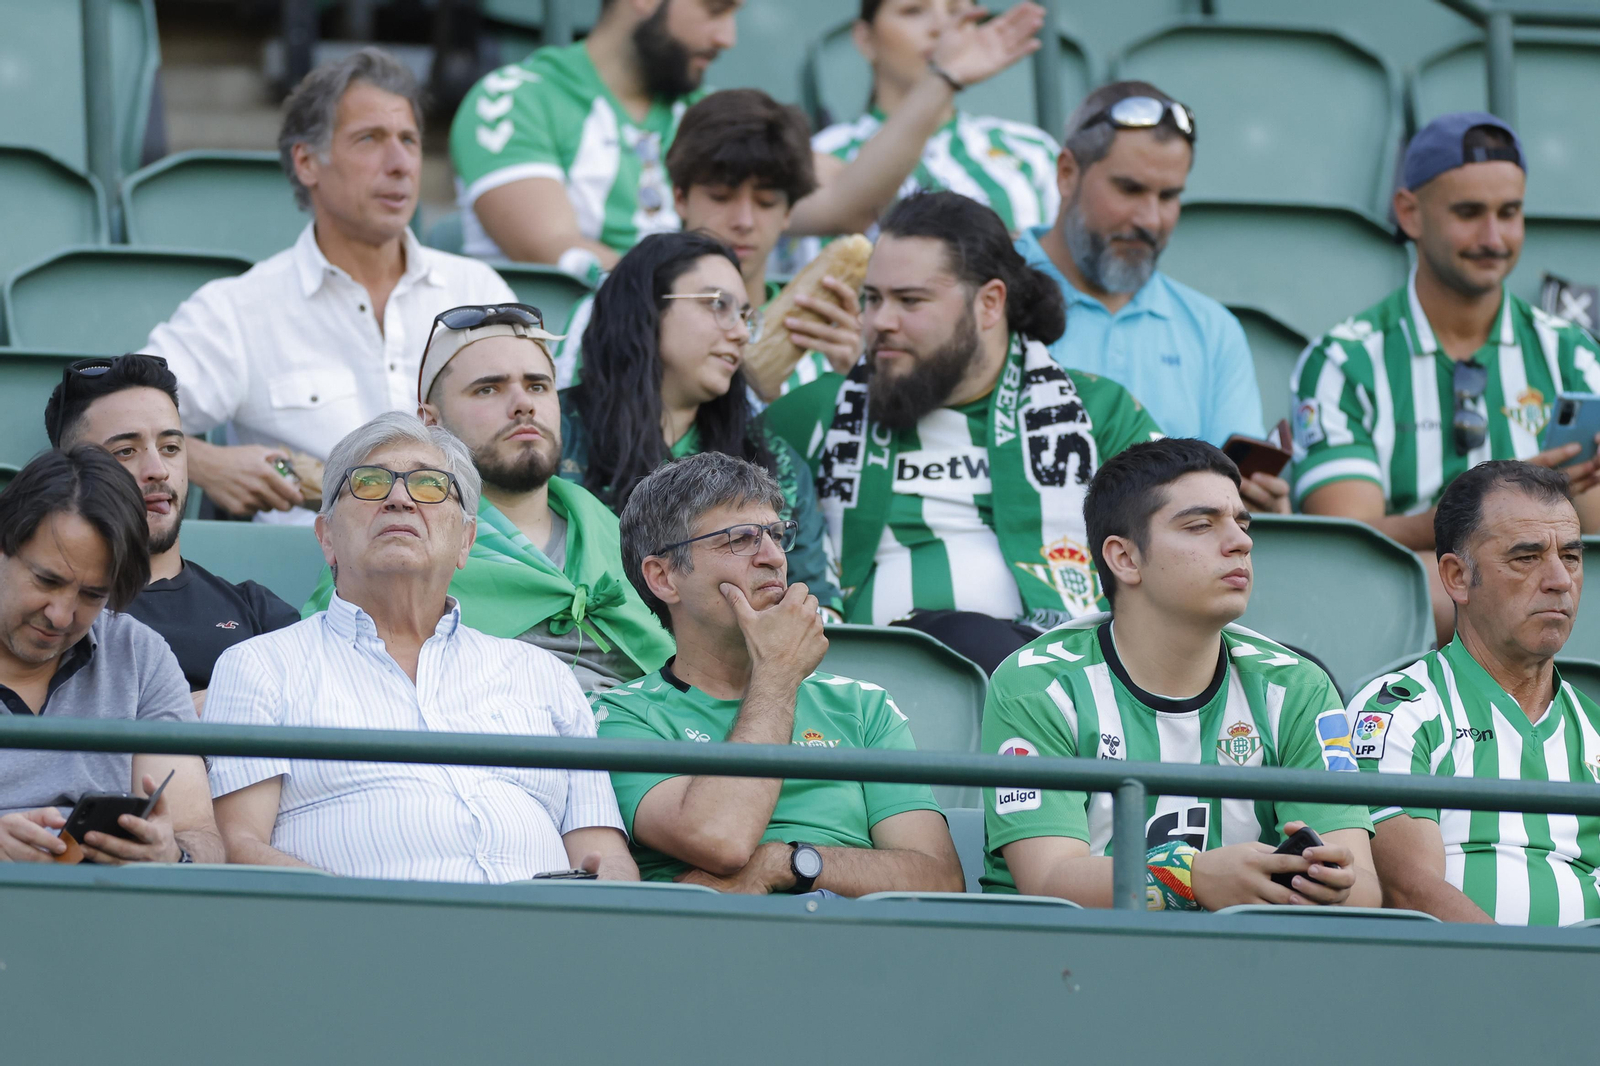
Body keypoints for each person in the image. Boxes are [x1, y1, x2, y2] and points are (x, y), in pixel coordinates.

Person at [205, 413, 637, 882]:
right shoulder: (261, 666)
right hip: (358, 941)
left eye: (430, 486)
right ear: (326, 536)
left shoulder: (542, 674)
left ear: (466, 541)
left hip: (539, 938)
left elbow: (603, 854)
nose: (399, 499)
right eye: (369, 483)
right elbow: (238, 847)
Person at [764, 191, 1162, 672]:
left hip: (1068, 688)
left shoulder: (1100, 412)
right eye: (872, 299)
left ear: (990, 302)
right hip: (858, 697)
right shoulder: (815, 413)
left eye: (910, 300)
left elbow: (1179, 557)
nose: (881, 322)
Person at [981, 437, 1379, 910]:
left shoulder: (1296, 686)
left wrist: (1327, 886)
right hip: (1074, 972)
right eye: (1200, 525)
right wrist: (1192, 877)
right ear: (1124, 558)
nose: (1241, 541)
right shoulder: (1037, 684)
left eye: (1241, 522)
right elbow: (1049, 880)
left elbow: (1365, 892)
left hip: (1249, 972)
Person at [145, 48, 516, 522]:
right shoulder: (240, 309)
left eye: (410, 140)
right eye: (370, 139)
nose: (401, 163)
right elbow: (111, 415)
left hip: (473, 573)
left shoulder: (477, 289)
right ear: (306, 162)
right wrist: (203, 461)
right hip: (304, 585)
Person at [593, 452, 963, 894]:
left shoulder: (864, 706)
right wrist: (777, 674)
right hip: (713, 949)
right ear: (663, 577)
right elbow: (720, 839)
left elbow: (939, 880)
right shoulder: (619, 717)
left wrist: (785, 863)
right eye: (740, 539)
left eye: (775, 534)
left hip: (862, 946)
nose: (773, 557)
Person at [1292, 112, 1600, 642]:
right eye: (1468, 213)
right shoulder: (1344, 361)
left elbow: (1592, 536)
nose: (1493, 237)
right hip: (1413, 621)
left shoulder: (1571, 355)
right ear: (1409, 213)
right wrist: (1480, 512)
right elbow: (1346, 558)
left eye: (1510, 213)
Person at [302, 303, 677, 692]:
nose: (523, 404)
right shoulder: (394, 542)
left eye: (537, 386)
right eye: (488, 388)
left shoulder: (617, 532)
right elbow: (329, 667)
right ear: (431, 422)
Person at [1349, 461, 1600, 924]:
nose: (1560, 580)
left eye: (1570, 556)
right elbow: (1411, 890)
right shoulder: (1398, 711)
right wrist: (1531, 980)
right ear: (1457, 577)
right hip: (1458, 984)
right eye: (1527, 557)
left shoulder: (1596, 728)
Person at [561, 231, 843, 614]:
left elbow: (819, 606)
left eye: (745, 316)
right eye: (717, 304)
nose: (742, 333)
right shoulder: (554, 432)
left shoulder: (773, 460)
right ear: (645, 307)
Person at [551, 88, 862, 394]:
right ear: (680, 198)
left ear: (788, 212)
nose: (744, 221)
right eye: (721, 197)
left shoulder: (829, 344)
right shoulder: (606, 309)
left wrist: (853, 386)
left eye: (766, 202)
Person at [1015, 80, 1269, 452]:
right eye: (1129, 189)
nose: (1150, 220)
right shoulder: (985, 295)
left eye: (1169, 196)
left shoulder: (1214, 331)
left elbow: (1229, 495)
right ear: (1067, 173)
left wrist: (1256, 504)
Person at [0, 448, 221, 866]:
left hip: (113, 912)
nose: (61, 616)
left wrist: (170, 854)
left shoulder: (140, 655)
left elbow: (200, 836)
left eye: (92, 595)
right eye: (47, 581)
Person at [44, 354, 300, 707]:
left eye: (170, 448)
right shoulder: (45, 613)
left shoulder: (257, 611)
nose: (158, 470)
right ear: (69, 470)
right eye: (125, 451)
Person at [450, 0, 738, 269]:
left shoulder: (713, 113)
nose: (727, 38)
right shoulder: (515, 99)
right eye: (715, 10)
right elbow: (557, 254)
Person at [804, 0, 1058, 236]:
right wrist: (944, 77)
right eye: (913, 10)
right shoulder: (821, 152)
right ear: (865, 38)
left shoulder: (1033, 150)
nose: (940, 29)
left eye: (956, 10)